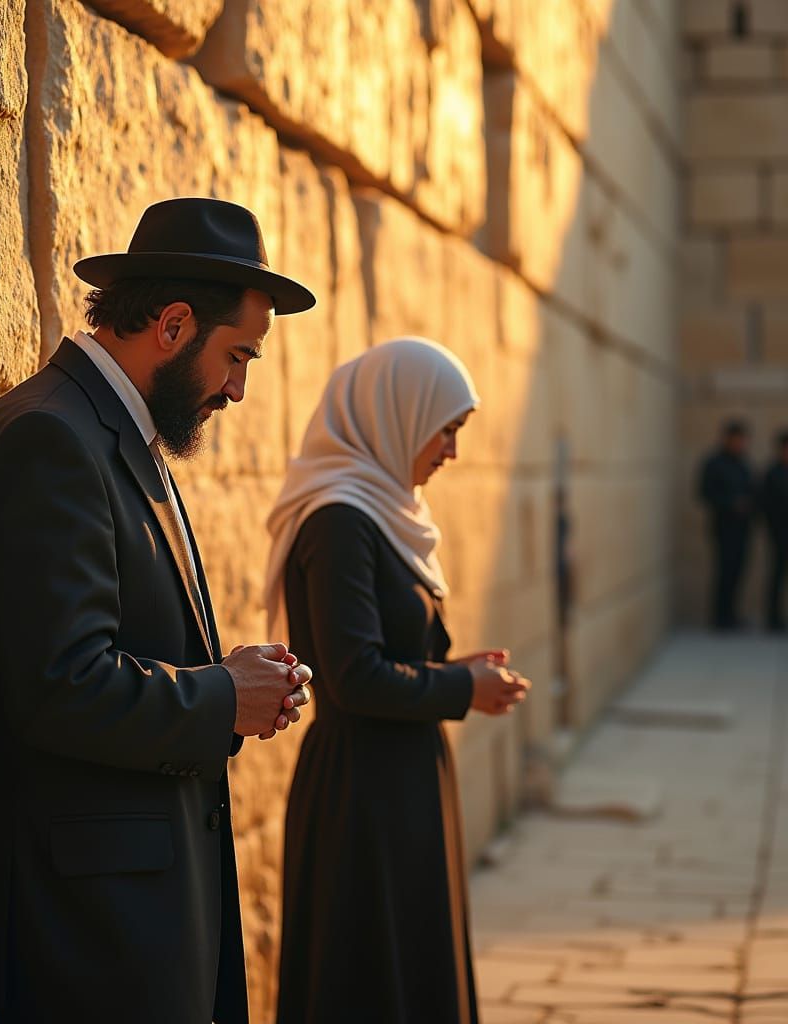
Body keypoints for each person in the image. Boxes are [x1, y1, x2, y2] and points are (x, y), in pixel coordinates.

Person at [0, 198, 317, 1024]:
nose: (238, 388)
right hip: (92, 935)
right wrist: (225, 696)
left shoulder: (109, 429)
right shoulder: (52, 439)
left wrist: (234, 680)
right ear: (174, 325)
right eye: (238, 356)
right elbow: (61, 686)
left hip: (133, 919)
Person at [265, 337, 531, 1024]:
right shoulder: (339, 520)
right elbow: (354, 677)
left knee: (413, 966)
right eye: (445, 430)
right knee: (371, 977)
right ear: (397, 413)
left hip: (403, 775)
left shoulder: (383, 513)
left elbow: (385, 654)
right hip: (365, 793)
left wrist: (457, 673)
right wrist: (462, 690)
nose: (452, 451)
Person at [697, 420, 754, 630]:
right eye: (736, 439)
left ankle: (731, 615)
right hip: (723, 527)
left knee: (738, 572)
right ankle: (720, 618)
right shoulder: (714, 463)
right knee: (724, 572)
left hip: (743, 528)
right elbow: (704, 493)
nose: (739, 443)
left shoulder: (743, 463)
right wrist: (731, 503)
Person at [761, 430, 788, 631]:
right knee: (777, 575)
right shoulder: (772, 473)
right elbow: (766, 505)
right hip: (779, 533)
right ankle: (773, 619)